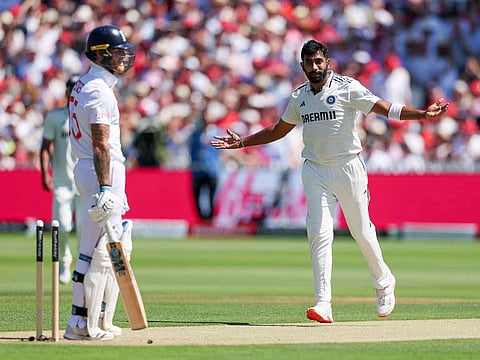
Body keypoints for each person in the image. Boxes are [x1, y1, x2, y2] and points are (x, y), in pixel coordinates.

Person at [211, 39, 449, 323]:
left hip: (349, 167)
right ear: (302, 66)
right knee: (319, 232)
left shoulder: (348, 87)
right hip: (315, 171)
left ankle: (384, 282)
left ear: (328, 62)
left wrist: (421, 114)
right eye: (309, 63)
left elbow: (383, 108)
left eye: (319, 62)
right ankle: (323, 303)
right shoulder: (299, 97)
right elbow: (279, 129)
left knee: (361, 231)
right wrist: (243, 143)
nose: (314, 67)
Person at [64, 24, 136, 340]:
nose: (123, 58)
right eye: (117, 53)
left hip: (89, 171)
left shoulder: (85, 84)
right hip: (99, 173)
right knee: (101, 252)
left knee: (87, 250)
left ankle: (84, 320)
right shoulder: (97, 91)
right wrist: (106, 187)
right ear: (100, 54)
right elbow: (100, 144)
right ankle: (84, 325)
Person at [40, 75, 82, 285]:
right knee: (63, 225)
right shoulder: (55, 117)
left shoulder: (87, 115)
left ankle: (82, 268)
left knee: (84, 229)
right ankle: (64, 263)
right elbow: (46, 147)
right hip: (62, 182)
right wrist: (44, 173)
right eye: (70, 88)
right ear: (66, 92)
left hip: (84, 182)